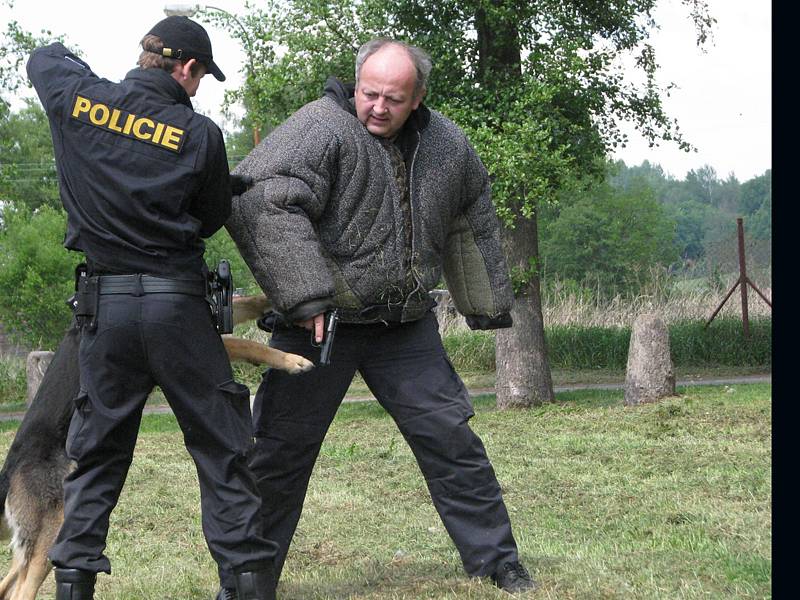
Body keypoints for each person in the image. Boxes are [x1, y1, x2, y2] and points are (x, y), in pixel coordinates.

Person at [222, 38, 536, 597]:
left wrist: (486, 300)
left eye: (394, 98)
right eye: (369, 94)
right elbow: (257, 197)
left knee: (451, 440)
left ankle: (498, 563)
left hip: (404, 327)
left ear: (417, 98)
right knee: (277, 455)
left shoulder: (447, 146)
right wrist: (305, 294)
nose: (378, 107)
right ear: (356, 83)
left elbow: (472, 216)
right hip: (319, 325)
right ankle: (248, 582)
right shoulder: (318, 127)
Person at [27, 16, 279, 600]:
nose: (199, 91)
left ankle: (73, 588)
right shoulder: (200, 135)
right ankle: (244, 585)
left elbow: (45, 54)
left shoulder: (78, 100)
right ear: (186, 68)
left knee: (95, 459)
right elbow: (214, 213)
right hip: (177, 309)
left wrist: (105, 99)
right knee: (222, 450)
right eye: (200, 78)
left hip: (104, 312)